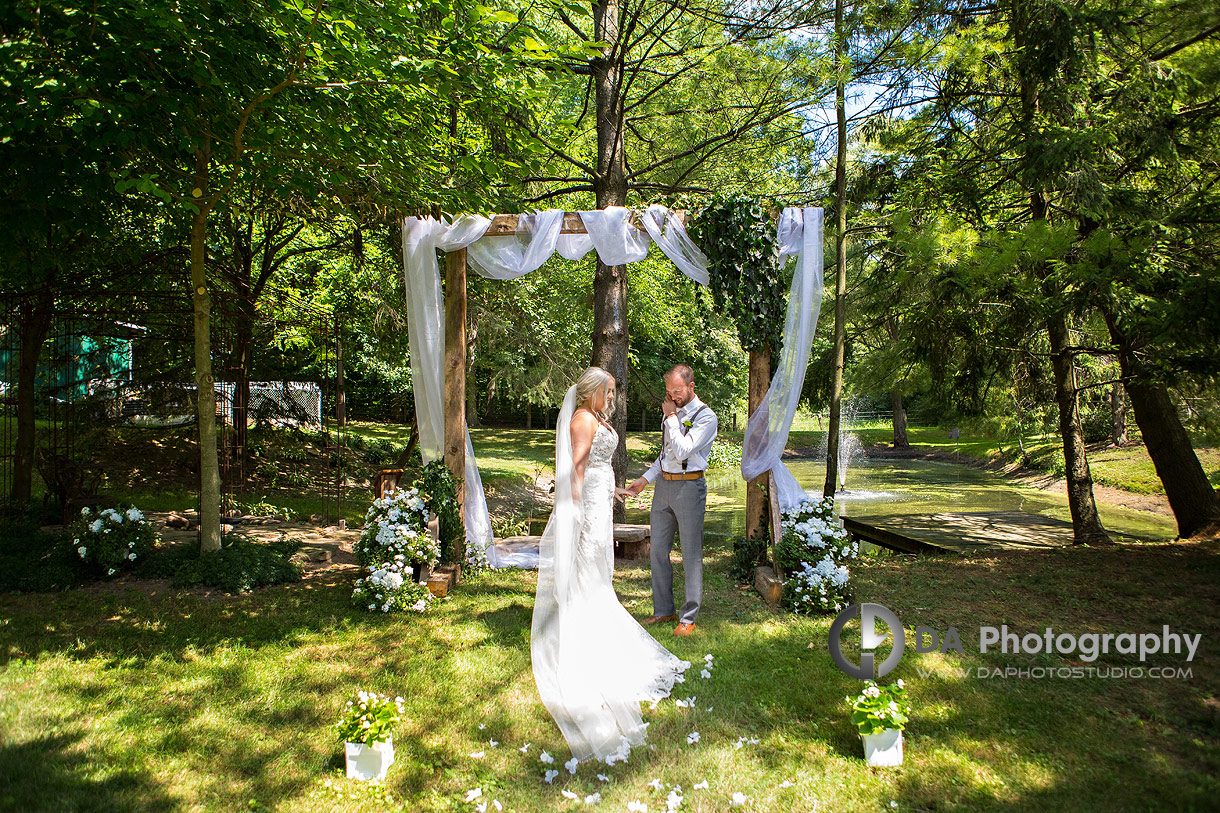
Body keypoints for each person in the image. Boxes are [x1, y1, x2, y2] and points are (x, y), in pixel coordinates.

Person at [530, 367, 690, 765]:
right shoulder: (583, 419)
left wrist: (615, 489)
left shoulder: (597, 418)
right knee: (588, 569)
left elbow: (599, 467)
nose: (613, 397)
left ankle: (595, 621)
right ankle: (584, 629)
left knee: (600, 570)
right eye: (610, 390)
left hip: (602, 500)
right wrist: (577, 511)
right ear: (593, 392)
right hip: (587, 507)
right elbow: (577, 470)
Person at [625, 364, 718, 636]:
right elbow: (666, 455)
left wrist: (671, 419)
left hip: (690, 488)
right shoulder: (672, 413)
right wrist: (645, 479)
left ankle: (688, 617)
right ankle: (663, 609)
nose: (673, 397)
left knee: (690, 554)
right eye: (669, 392)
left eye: (677, 391)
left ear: (691, 387)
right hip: (663, 486)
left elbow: (683, 449)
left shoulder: (705, 417)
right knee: (657, 551)